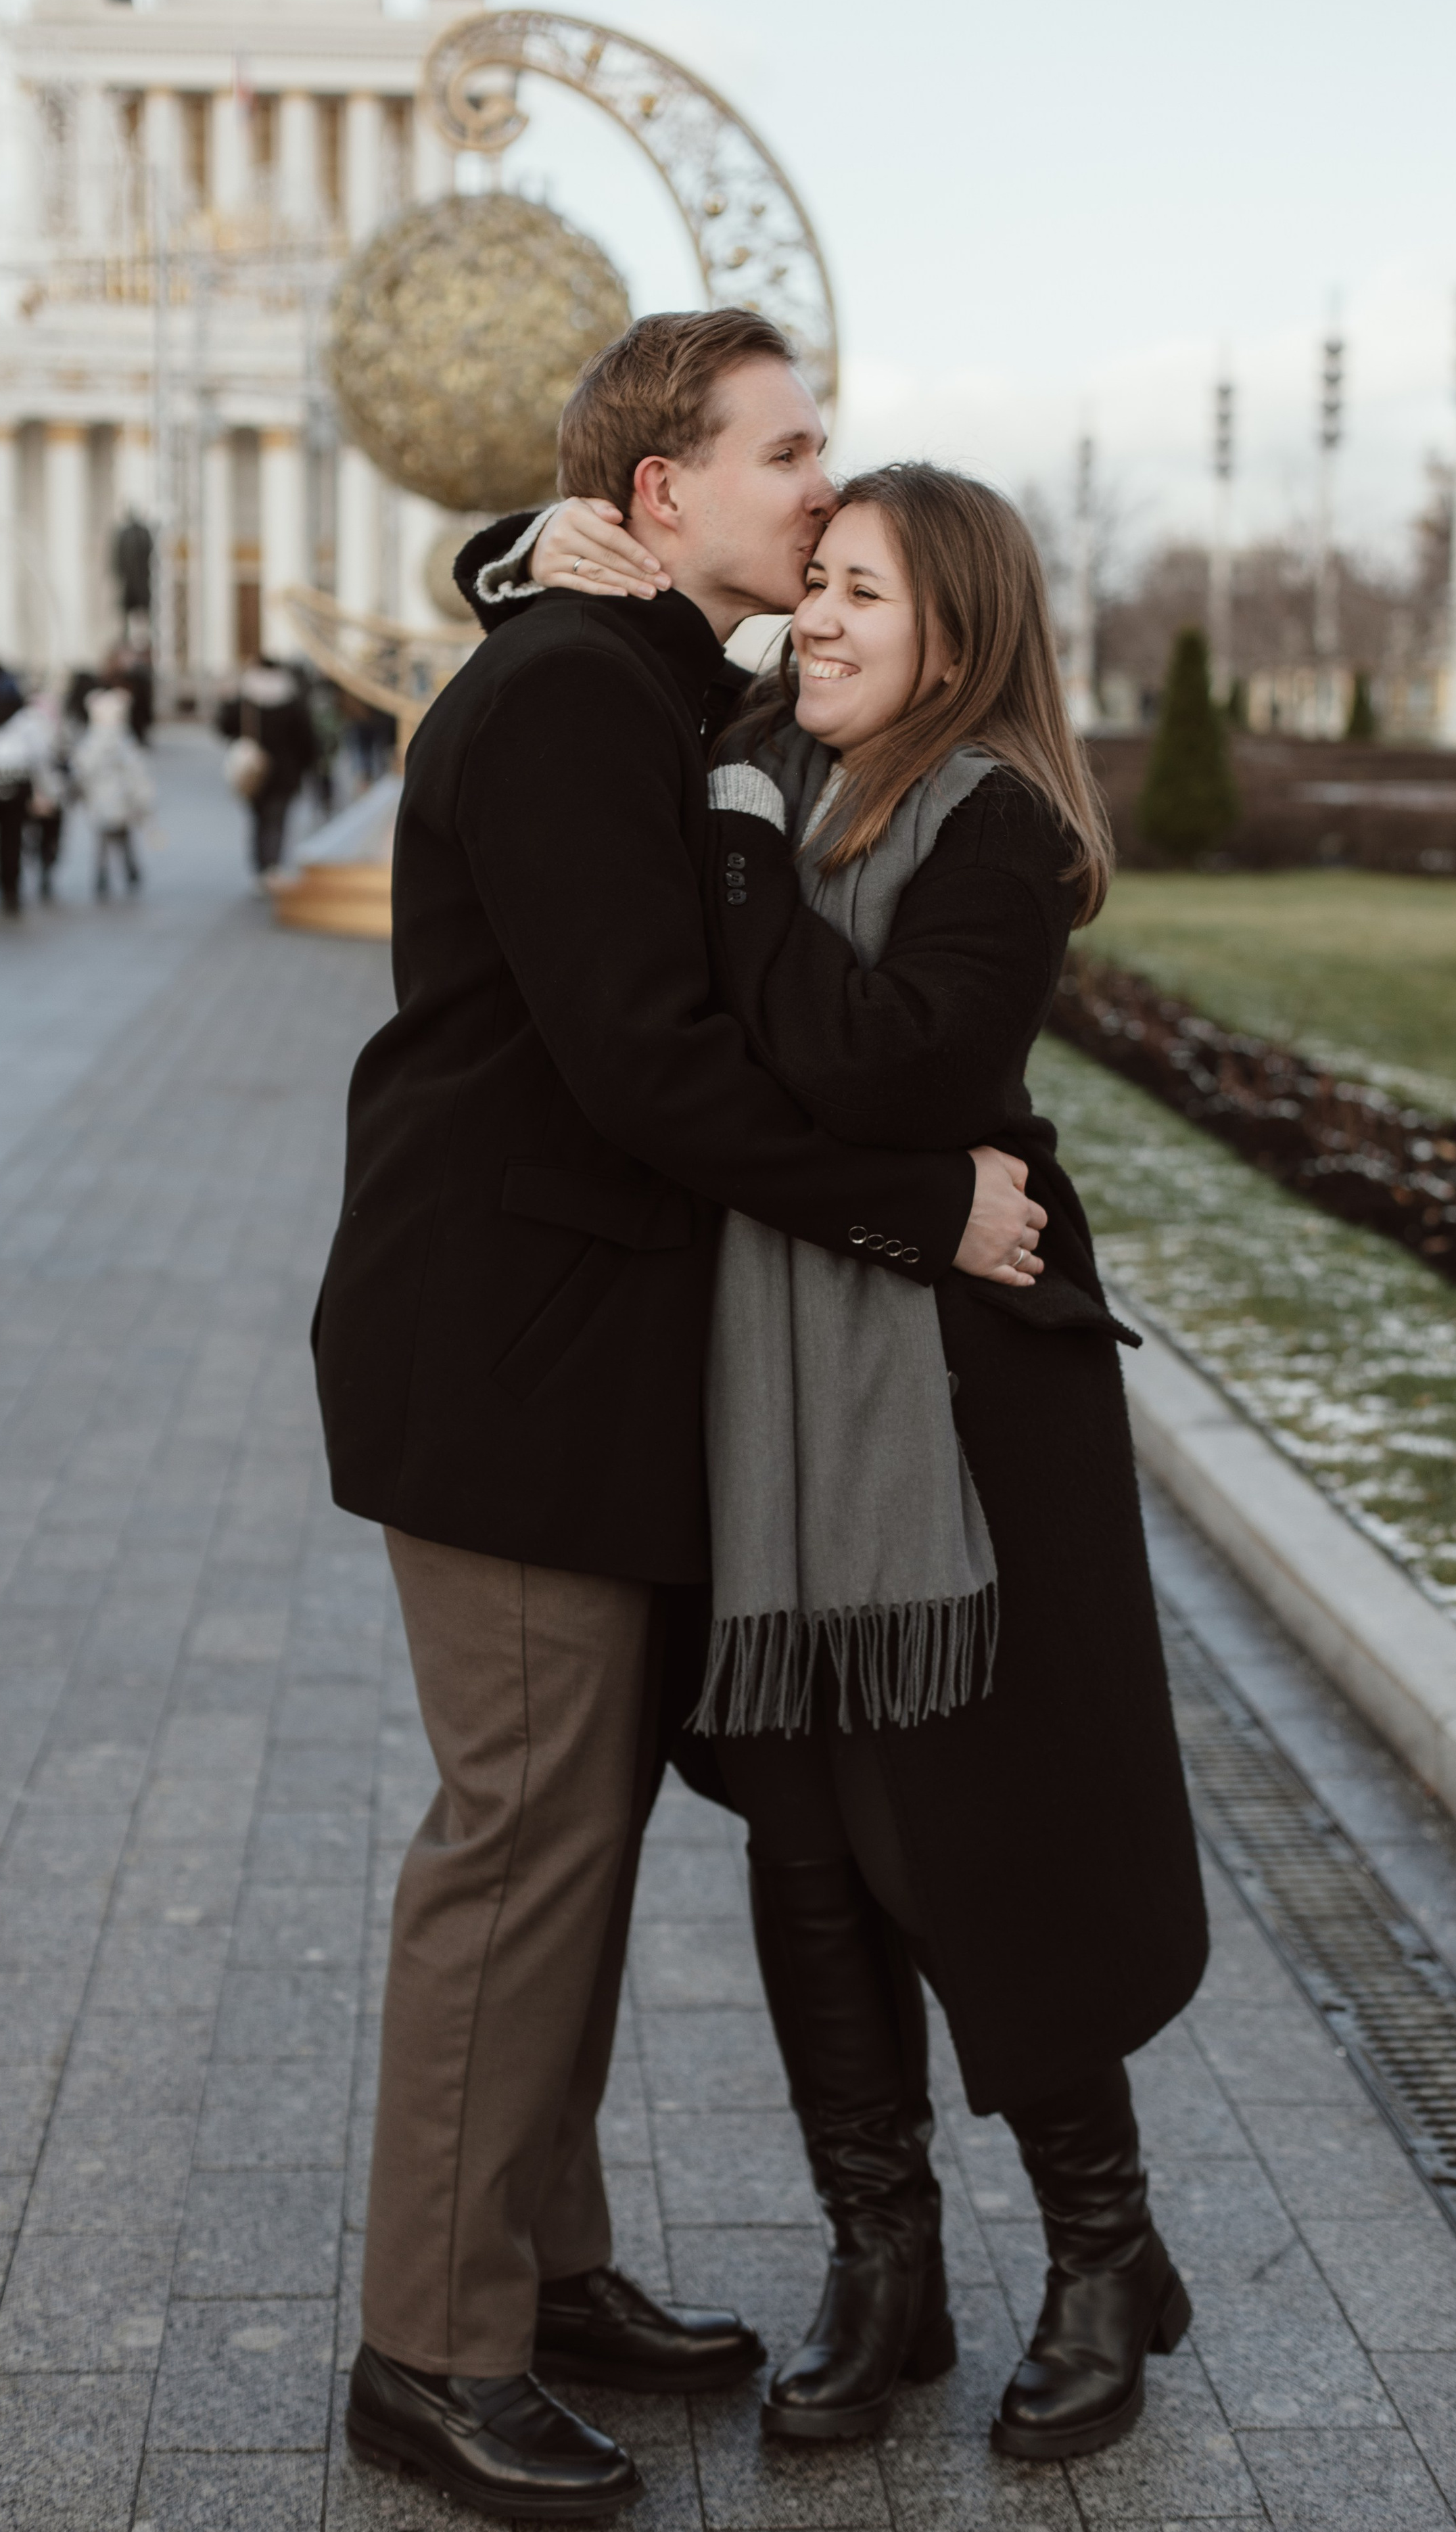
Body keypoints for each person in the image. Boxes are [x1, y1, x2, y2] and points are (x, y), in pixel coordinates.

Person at [312, 310, 1043, 2525]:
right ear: (663, 498)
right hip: (512, 1351)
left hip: (582, 1354)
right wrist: (926, 1203)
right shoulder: (569, 699)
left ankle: (542, 2270)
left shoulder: (627, 673)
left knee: (575, 1851)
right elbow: (651, 1069)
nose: (824, 487)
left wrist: (503, 561)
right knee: (520, 1844)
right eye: (787, 451)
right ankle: (431, 2353)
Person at [515, 466, 1209, 2463]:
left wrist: (737, 866)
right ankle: (878, 2253)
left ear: (957, 641)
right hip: (780, 1406)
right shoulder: (766, 786)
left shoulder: (992, 827)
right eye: (808, 584)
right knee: (808, 1842)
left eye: (861, 595)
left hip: (966, 1422)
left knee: (980, 1831)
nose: (812, 617)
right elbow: (718, 1080)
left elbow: (867, 1064)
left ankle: (1102, 2250)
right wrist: (517, 556)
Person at [216, 660, 317, 888]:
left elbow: (224, 727)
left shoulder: (245, 701)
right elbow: (306, 740)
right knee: (276, 821)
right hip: (284, 771)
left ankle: (261, 866)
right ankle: (271, 866)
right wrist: (307, 766)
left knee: (259, 820)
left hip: (254, 771)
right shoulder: (291, 702)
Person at [0, 682, 63, 917]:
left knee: (1, 834)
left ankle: (4, 881)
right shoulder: (27, 721)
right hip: (19, 784)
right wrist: (49, 791)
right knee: (13, 834)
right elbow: (41, 759)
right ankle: (11, 884)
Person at [72, 684, 154, 895]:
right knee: (123, 838)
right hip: (121, 799)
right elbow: (137, 771)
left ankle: (104, 874)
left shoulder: (92, 743)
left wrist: (80, 792)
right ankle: (128, 871)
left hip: (101, 801)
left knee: (104, 842)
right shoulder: (124, 742)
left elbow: (82, 770)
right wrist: (143, 798)